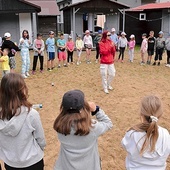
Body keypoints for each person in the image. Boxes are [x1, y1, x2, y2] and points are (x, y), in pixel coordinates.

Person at [53, 89, 113, 170]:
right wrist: (96, 110)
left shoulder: (60, 125)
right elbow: (108, 123)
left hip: (65, 166)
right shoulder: (92, 127)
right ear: (84, 107)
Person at [0, 73, 46, 170]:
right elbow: (41, 139)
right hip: (32, 162)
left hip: (11, 163)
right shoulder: (32, 114)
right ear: (22, 90)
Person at [121, 95, 170, 170]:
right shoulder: (166, 134)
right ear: (160, 115)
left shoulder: (132, 134)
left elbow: (124, 145)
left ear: (141, 114)